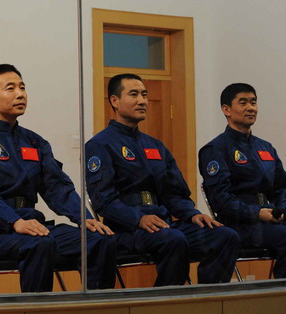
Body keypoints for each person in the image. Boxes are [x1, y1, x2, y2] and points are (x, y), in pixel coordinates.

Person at [0, 64, 116, 292]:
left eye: (22, 87)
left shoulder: (34, 142)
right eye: (10, 88)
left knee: (98, 239)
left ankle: (97, 307)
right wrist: (14, 221)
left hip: (33, 225)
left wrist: (83, 218)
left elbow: (57, 187)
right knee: (40, 244)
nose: (20, 94)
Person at [85, 73, 239, 286]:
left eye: (144, 95)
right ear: (115, 101)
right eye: (134, 94)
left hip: (164, 224)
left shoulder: (155, 146)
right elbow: (104, 200)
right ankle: (165, 302)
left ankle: (207, 299)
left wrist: (192, 214)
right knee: (173, 240)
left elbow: (174, 193)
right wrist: (138, 219)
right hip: (128, 229)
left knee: (225, 235)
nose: (142, 101)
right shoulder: (100, 145)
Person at [198, 83, 286, 278]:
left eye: (253, 102)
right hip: (241, 224)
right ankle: (284, 299)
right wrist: (257, 213)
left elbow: (281, 189)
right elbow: (221, 199)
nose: (250, 108)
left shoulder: (265, 147)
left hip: (273, 219)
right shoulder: (215, 149)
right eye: (243, 102)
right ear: (226, 110)